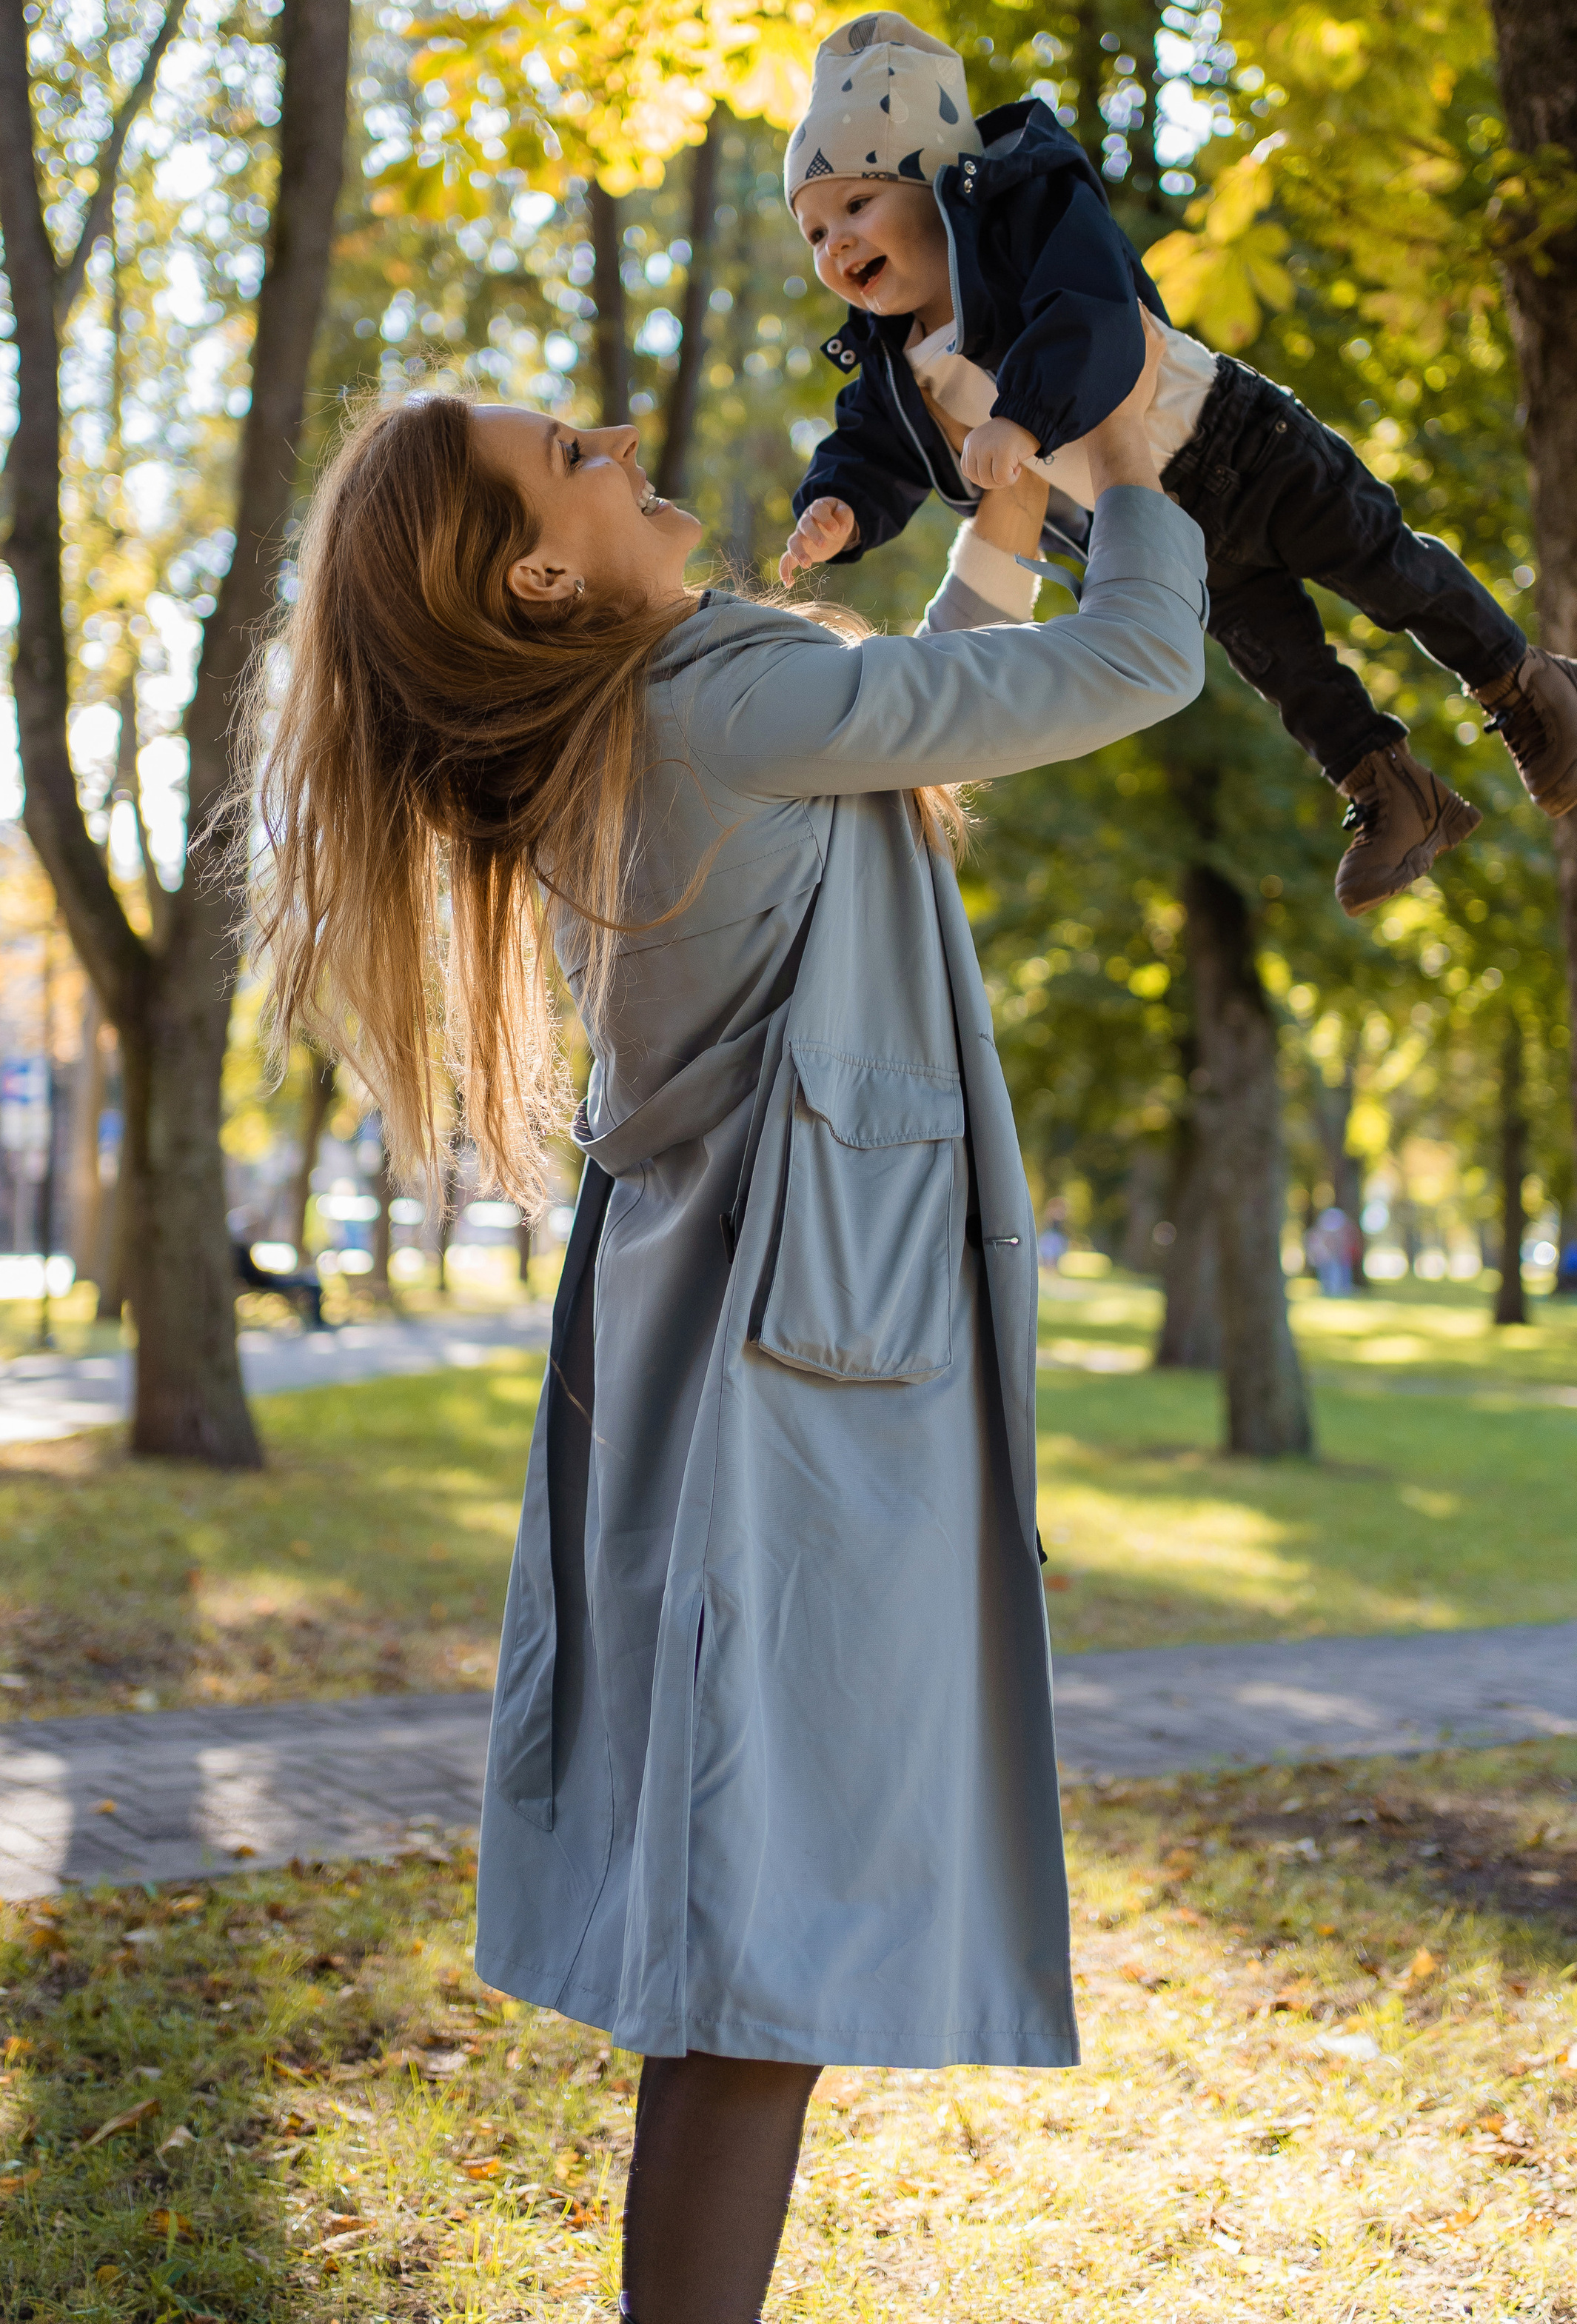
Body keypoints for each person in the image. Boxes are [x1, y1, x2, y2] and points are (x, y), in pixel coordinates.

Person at [245, 382, 1205, 2324]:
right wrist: (1133, 461)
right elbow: (1139, 663)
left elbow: (900, 734)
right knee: (752, 1968)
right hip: (797, 1401)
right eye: (571, 459)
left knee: (752, 1941)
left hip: (751, 1368)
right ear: (538, 574)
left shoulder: (660, 722)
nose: (618, 440)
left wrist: (996, 529)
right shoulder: (714, 704)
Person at [778, 11, 1577, 918]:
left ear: (934, 184)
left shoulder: (1024, 222)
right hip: (1163, 529)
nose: (836, 245)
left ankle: (1523, 679)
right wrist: (839, 506)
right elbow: (869, 448)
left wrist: (1021, 418)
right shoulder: (892, 362)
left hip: (1239, 444)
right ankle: (1394, 794)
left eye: (855, 207)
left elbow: (1090, 312)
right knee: (1286, 669)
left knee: (1385, 567)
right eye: (813, 233)